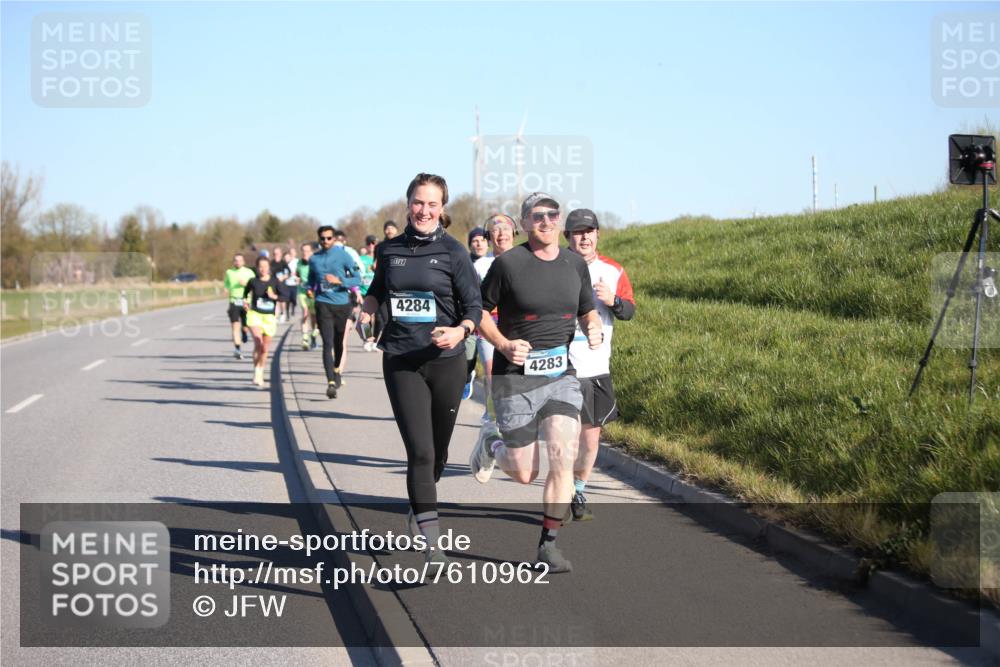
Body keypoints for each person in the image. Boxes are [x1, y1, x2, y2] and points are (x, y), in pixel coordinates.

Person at [468, 193, 603, 573]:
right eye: (537, 216)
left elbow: (587, 309)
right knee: (525, 473)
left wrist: (592, 328)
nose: (546, 221)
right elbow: (478, 311)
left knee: (562, 458)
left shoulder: (575, 264)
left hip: (561, 377)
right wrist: (504, 344)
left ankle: (548, 546)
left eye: (552, 214)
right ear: (524, 224)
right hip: (516, 379)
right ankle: (492, 444)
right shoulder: (509, 264)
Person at [360, 173, 481, 567]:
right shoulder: (390, 249)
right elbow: (379, 287)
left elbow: (474, 308)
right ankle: (433, 546)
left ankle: (419, 505)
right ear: (408, 202)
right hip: (401, 360)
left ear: (442, 209)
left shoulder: (454, 252)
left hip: (446, 363)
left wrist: (460, 330)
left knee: (440, 453)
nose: (424, 210)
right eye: (418, 202)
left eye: (432, 204)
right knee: (421, 452)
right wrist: (369, 307)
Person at [564, 209, 636, 521]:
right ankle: (561, 489)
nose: (584, 237)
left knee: (590, 439)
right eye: (577, 232)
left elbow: (629, 311)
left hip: (596, 366)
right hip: (561, 365)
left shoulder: (613, 271)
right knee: (563, 436)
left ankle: (578, 489)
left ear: (597, 234)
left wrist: (612, 301)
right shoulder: (555, 266)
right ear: (567, 236)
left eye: (589, 231)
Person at [307, 226, 361, 399]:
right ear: (319, 239)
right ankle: (330, 382)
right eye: (322, 238)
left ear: (333, 239)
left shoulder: (343, 255)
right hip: (323, 304)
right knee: (327, 343)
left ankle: (337, 370)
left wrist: (339, 280)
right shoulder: (314, 259)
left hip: (341, 304)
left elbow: (357, 278)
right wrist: (309, 288)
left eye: (329, 238)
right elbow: (310, 280)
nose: (325, 241)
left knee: (339, 342)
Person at [473, 214, 518, 421]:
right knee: (493, 374)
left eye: (506, 230)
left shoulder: (526, 259)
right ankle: (494, 417)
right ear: (489, 237)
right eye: (496, 231)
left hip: (518, 325)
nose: (502, 235)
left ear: (514, 234)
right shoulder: (480, 265)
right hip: (489, 325)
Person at [243, 255, 282, 387]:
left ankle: (260, 371)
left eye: (265, 266)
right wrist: (245, 302)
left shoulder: (275, 281)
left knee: (264, 349)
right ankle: (257, 373)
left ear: (269, 268)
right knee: (258, 342)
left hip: (269, 317)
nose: (263, 269)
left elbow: (284, 296)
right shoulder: (253, 281)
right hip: (255, 315)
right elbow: (245, 292)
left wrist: (274, 296)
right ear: (257, 268)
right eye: (260, 267)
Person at [462, 227, 490, 399]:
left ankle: (494, 413)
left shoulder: (497, 262)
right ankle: (467, 377)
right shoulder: (464, 263)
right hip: (470, 318)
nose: (479, 244)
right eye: (475, 240)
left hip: (491, 320)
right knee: (467, 356)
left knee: (492, 369)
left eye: (482, 240)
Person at [334, 229, 365, 374]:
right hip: (328, 300)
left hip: (347, 298)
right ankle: (333, 368)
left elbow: (359, 272)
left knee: (342, 339)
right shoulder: (324, 256)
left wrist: (357, 290)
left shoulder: (351, 253)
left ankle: (338, 371)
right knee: (331, 340)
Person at [223, 253, 256, 359]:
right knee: (235, 326)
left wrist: (246, 284)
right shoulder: (229, 272)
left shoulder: (249, 272)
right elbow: (227, 284)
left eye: (240, 260)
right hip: (234, 301)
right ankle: (237, 349)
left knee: (245, 327)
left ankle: (245, 333)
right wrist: (226, 288)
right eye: (236, 260)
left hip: (246, 301)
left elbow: (255, 286)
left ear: (243, 262)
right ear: (233, 262)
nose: (238, 262)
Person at [297, 241, 318, 350]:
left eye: (307, 251)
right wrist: (297, 279)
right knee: (305, 313)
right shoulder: (299, 263)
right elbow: (297, 274)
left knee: (314, 317)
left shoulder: (315, 262)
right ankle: (305, 339)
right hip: (302, 292)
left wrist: (313, 288)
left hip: (314, 293)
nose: (305, 253)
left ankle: (313, 335)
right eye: (303, 251)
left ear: (311, 252)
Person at [359, 235, 378, 351]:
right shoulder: (361, 259)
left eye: (374, 243)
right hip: (363, 291)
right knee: (365, 316)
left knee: (375, 317)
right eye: (369, 243)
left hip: (376, 291)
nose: (371, 245)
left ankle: (374, 339)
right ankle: (367, 338)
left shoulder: (380, 258)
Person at [271, 246, 291, 323]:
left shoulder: (283, 263)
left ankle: (283, 313)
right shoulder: (271, 263)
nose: (276, 255)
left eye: (277, 253)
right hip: (274, 284)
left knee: (282, 300)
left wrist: (284, 277)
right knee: (276, 300)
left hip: (282, 284)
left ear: (280, 254)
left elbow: (288, 272)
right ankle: (276, 316)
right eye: (274, 253)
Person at [286, 245, 300, 318]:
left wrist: (297, 276)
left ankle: (293, 308)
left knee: (293, 299)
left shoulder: (297, 261)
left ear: (295, 253)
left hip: (294, 282)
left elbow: (299, 271)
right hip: (287, 282)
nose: (292, 253)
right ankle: (287, 313)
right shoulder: (287, 260)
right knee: (287, 299)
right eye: (291, 252)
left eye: (293, 252)